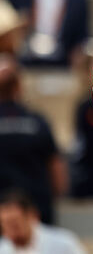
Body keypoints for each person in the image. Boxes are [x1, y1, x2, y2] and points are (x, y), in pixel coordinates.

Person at [0, 54, 67, 225]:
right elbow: (56, 167)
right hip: (37, 211)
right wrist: (58, 197)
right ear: (18, 86)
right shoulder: (38, 121)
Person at [0, 188, 86, 254]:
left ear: (32, 215)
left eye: (14, 222)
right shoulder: (2, 249)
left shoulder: (64, 244)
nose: (10, 229)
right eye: (4, 223)